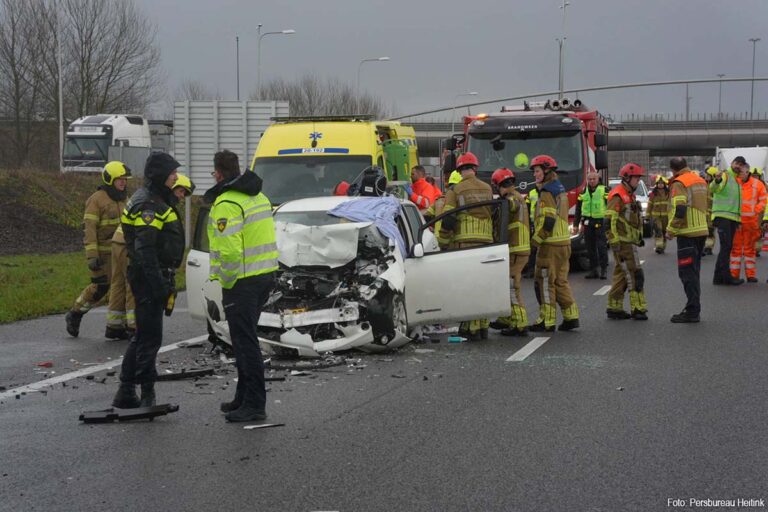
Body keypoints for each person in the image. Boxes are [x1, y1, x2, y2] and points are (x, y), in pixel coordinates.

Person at [204, 150, 278, 422]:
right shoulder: (257, 195)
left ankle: (255, 405)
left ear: (219, 173)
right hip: (263, 276)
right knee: (243, 339)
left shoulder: (227, 203)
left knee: (245, 343)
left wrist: (227, 280)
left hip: (242, 281)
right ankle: (243, 397)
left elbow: (231, 252)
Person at [112, 152, 185, 408]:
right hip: (148, 278)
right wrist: (159, 286)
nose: (176, 177)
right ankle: (145, 393)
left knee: (143, 336)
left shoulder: (154, 198)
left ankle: (126, 390)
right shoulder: (149, 204)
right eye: (172, 173)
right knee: (149, 338)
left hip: (149, 275)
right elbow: (145, 250)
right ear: (160, 175)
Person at [66, 161, 131, 338]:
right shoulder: (96, 200)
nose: (123, 183)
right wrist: (92, 255)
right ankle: (76, 313)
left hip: (121, 252)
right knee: (100, 287)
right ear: (110, 179)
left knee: (123, 287)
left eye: (124, 179)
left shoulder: (124, 199)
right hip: (103, 255)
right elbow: (90, 229)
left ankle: (117, 327)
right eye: (120, 179)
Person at [438, 152, 494, 341]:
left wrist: (443, 243)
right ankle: (483, 326)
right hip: (487, 243)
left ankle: (470, 327)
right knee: (484, 285)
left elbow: (448, 219)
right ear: (475, 168)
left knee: (469, 286)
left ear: (460, 170)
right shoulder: (487, 188)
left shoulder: (457, 190)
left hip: (466, 243)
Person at [529, 155, 579, 332]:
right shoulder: (560, 188)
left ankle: (547, 321)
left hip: (549, 244)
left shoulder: (547, 192)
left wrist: (536, 241)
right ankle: (571, 316)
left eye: (537, 171)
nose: (534, 175)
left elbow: (548, 220)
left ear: (546, 170)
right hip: (564, 242)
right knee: (560, 282)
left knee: (544, 281)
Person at [665, 157, 709, 323]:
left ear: (673, 170)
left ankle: (692, 311)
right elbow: (708, 204)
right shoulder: (700, 180)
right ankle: (694, 308)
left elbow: (680, 208)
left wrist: (671, 229)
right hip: (701, 231)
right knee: (694, 272)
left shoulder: (679, 182)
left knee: (687, 273)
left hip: (687, 232)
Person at [489, 168, 530, 336]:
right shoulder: (514, 196)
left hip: (516, 248)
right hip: (514, 248)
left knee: (512, 286)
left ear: (500, 185)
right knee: (507, 284)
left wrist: (498, 203)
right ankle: (508, 317)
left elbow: (510, 206)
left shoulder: (513, 198)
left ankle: (520, 323)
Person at [605, 163, 648, 320]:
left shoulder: (629, 194)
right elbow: (609, 220)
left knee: (621, 275)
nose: (638, 181)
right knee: (635, 274)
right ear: (627, 178)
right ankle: (638, 308)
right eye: (636, 178)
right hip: (623, 243)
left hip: (629, 241)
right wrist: (614, 240)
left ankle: (614, 307)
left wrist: (638, 237)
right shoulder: (618, 195)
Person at [730, 157, 767, 283]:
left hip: (751, 221)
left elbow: (764, 200)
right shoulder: (735, 182)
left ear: (747, 171)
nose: (740, 174)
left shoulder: (757, 184)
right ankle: (734, 275)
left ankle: (750, 275)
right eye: (738, 172)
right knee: (735, 249)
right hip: (737, 221)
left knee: (750, 249)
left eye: (741, 172)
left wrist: (756, 210)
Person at [710, 163, 743, 285]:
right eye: (737, 164)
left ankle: (718, 277)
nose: (738, 167)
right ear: (733, 163)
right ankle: (726, 277)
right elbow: (713, 188)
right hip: (723, 216)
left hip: (731, 218)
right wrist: (717, 180)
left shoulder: (736, 180)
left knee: (726, 247)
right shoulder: (725, 175)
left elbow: (736, 203)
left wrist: (738, 220)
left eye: (741, 165)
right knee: (726, 246)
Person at [573, 171, 608, 279]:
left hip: (600, 222)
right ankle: (593, 270)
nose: (592, 181)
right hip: (588, 222)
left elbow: (611, 206)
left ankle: (603, 270)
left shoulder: (605, 190)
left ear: (598, 179)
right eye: (590, 179)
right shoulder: (583, 192)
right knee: (590, 248)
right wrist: (576, 224)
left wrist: (610, 222)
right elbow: (578, 209)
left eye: (594, 179)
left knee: (601, 246)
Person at [648, 175, 670, 254]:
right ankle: (659, 247)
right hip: (656, 217)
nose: (660, 185)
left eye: (662, 183)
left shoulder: (668, 193)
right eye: (659, 183)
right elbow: (649, 205)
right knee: (658, 231)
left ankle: (663, 246)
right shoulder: (653, 194)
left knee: (664, 232)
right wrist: (647, 215)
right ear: (656, 184)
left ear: (664, 184)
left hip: (666, 217)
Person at [522, 184, 540, 278]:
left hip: (542, 224)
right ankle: (531, 270)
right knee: (532, 248)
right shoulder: (531, 193)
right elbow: (527, 209)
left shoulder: (547, 192)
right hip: (533, 224)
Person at [701, 170, 716, 256]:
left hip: (712, 212)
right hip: (703, 211)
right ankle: (703, 247)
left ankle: (708, 247)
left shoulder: (715, 186)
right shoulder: (703, 184)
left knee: (710, 230)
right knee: (702, 230)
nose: (707, 176)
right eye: (706, 175)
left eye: (709, 175)